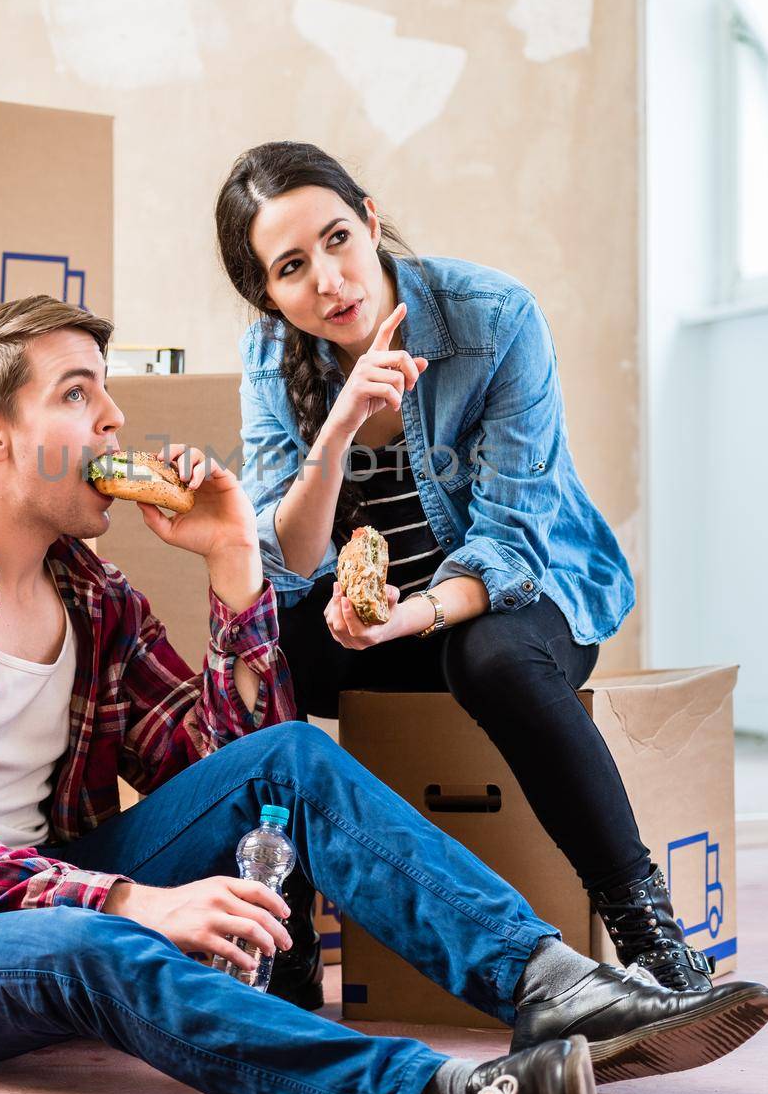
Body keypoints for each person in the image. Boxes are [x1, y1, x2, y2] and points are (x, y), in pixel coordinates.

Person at [0, 296, 768, 1094]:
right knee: (98, 942)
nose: (113, 417)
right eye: (76, 394)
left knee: (289, 759)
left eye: (106, 388)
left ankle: (549, 983)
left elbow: (240, 773)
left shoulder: (95, 599)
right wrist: (135, 900)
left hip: (50, 877)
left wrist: (236, 564)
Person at [216, 140, 714, 1008]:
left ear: (370, 221)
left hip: (516, 601)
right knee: (261, 649)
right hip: (366, 626)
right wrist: (335, 431)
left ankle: (651, 936)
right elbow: (288, 562)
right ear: (268, 292)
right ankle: (287, 942)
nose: (330, 280)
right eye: (293, 267)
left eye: (338, 239)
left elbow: (514, 538)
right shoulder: (270, 357)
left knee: (485, 657)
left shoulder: (494, 317)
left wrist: (405, 616)